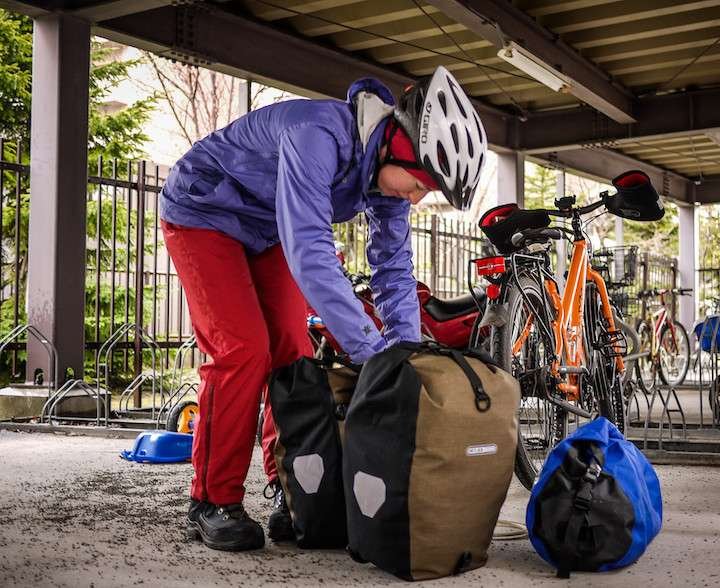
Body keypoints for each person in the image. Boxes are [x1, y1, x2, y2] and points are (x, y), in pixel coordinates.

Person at [160, 66, 488, 551]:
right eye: (420, 182)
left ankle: (293, 488)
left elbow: (393, 272)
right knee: (243, 350)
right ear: (398, 145)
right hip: (204, 211)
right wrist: (372, 353)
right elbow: (310, 250)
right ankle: (211, 500)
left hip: (265, 227)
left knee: (292, 353)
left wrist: (406, 355)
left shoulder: (385, 180)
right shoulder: (316, 134)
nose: (417, 197)